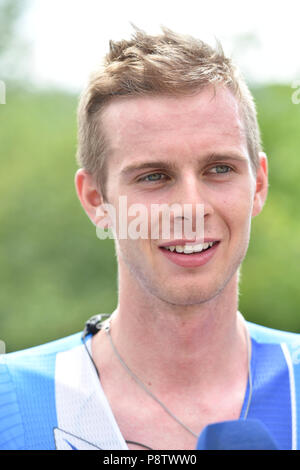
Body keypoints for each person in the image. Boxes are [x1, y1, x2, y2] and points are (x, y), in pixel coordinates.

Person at [0, 27, 299, 451]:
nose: (191, 208)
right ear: (95, 199)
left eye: (219, 169)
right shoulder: (9, 404)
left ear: (259, 184)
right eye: (154, 176)